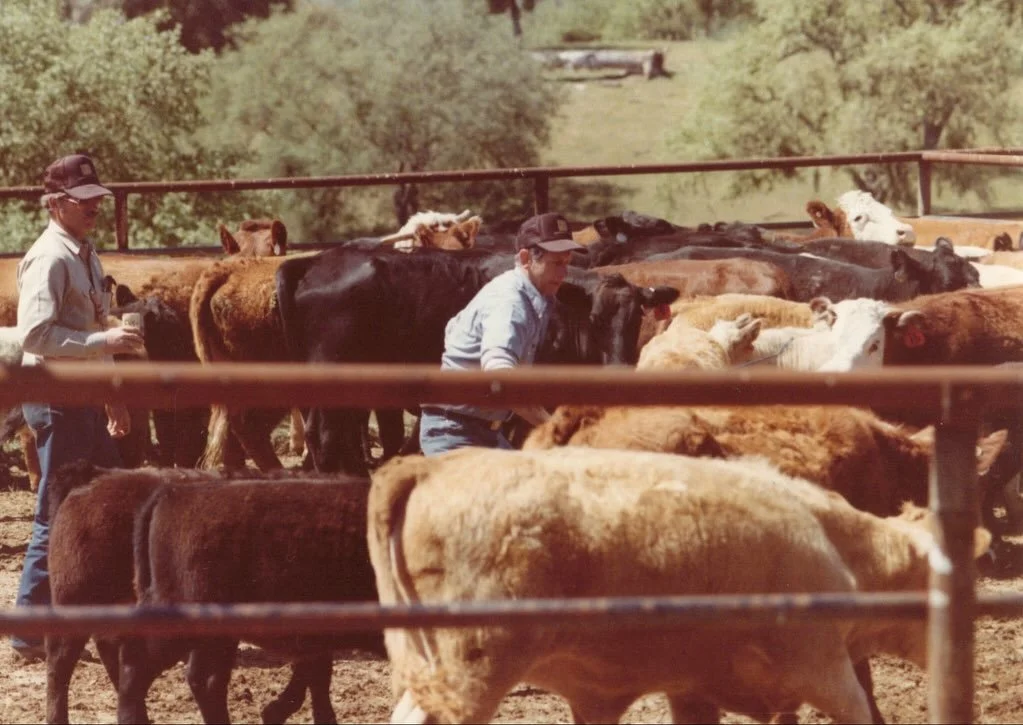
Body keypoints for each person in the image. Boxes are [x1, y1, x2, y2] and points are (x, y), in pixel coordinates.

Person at [10, 154, 143, 662]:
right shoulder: (51, 257)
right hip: (57, 396)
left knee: (103, 502)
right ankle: (28, 629)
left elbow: (96, 325)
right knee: (58, 508)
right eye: (85, 201)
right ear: (57, 203)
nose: (95, 209)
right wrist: (102, 340)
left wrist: (114, 394)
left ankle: (95, 615)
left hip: (80, 396)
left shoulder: (83, 253)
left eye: (97, 200)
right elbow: (36, 334)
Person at [419, 211, 584, 455]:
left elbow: (453, 328)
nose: (564, 273)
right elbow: (500, 378)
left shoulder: (534, 296)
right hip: (455, 433)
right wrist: (554, 430)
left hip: (477, 430)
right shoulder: (510, 302)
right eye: (556, 263)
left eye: (567, 263)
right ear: (527, 258)